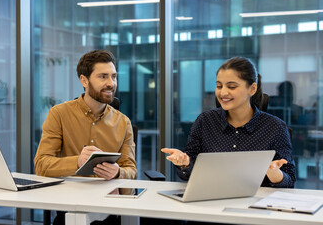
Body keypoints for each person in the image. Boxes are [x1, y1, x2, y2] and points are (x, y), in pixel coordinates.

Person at [34, 49, 137, 224]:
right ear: (84, 80)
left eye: (114, 76)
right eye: (103, 77)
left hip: (109, 211)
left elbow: (131, 170)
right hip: (70, 208)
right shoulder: (59, 114)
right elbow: (41, 164)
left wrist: (118, 172)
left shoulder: (123, 122)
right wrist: (77, 161)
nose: (111, 83)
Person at [162, 57, 296, 188]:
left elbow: (290, 179)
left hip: (255, 204)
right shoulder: (205, 121)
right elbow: (187, 175)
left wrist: (274, 173)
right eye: (219, 86)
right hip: (210, 199)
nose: (223, 92)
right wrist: (184, 163)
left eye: (231, 86)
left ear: (252, 89)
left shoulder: (275, 127)